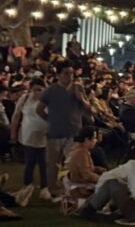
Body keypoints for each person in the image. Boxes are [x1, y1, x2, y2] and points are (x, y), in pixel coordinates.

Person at [36, 59, 92, 198]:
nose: (70, 76)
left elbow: (89, 109)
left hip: (74, 132)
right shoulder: (51, 90)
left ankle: (71, 188)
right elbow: (39, 109)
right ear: (59, 75)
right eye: (66, 73)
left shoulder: (78, 88)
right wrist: (51, 120)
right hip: (55, 132)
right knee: (53, 164)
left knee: (72, 163)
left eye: (71, 73)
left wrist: (80, 98)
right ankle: (52, 189)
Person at [79, 153, 135, 223]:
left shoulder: (134, 164)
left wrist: (96, 195)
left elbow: (107, 177)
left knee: (111, 183)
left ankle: (90, 210)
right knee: (122, 186)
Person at [9, 78, 51, 201]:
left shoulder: (48, 100)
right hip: (28, 137)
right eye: (35, 90)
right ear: (30, 90)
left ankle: (44, 187)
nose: (37, 92)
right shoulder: (24, 99)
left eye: (40, 90)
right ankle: (27, 185)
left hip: (44, 137)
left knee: (44, 163)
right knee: (30, 162)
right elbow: (16, 116)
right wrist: (13, 133)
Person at [67, 127, 105, 198]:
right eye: (94, 138)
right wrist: (103, 178)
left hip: (82, 182)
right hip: (82, 187)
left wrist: (100, 170)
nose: (96, 140)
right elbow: (87, 175)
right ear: (87, 140)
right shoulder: (81, 153)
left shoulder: (81, 149)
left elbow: (87, 168)